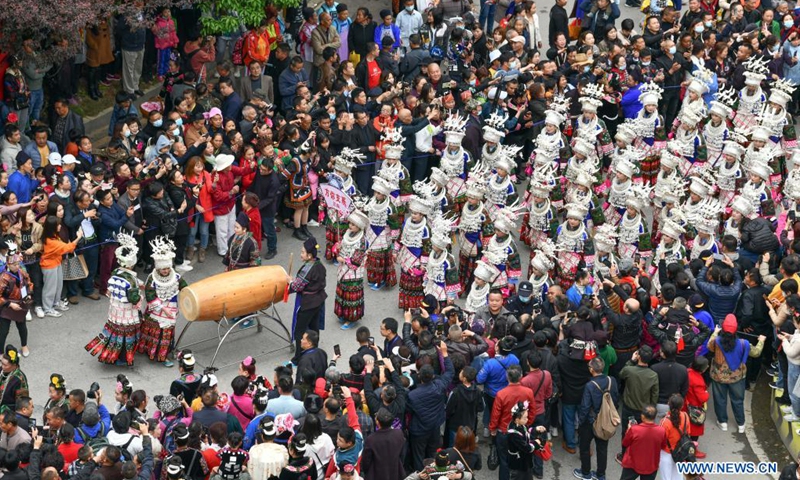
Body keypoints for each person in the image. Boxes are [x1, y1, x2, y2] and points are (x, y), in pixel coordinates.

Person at [85, 232, 142, 366]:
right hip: (127, 312)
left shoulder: (115, 273)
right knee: (125, 337)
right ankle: (122, 359)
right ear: (131, 264)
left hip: (114, 310)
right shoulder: (131, 280)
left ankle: (110, 356)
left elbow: (110, 291)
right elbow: (134, 298)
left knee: (114, 334)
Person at [707, 314, 766, 433]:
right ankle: (741, 424)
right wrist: (761, 341)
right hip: (737, 377)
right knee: (738, 400)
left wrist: (715, 332)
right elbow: (756, 353)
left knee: (720, 399)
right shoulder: (744, 343)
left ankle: (723, 422)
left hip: (718, 376)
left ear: (723, 329)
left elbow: (709, 347)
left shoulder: (716, 341)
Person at [138, 236, 189, 367]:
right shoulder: (152, 278)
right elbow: (150, 295)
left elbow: (185, 288)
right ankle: (156, 353)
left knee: (167, 334)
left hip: (171, 309)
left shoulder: (176, 277)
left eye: (167, 268)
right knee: (155, 332)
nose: (166, 271)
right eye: (163, 269)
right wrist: (162, 308)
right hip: (156, 311)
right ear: (158, 268)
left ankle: (165, 353)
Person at [574, 357, 618, 480]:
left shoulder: (590, 385)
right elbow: (615, 399)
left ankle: (586, 473)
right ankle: (600, 475)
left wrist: (581, 423)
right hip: (605, 421)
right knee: (602, 448)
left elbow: (585, 407)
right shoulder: (611, 380)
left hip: (590, 421)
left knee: (584, 447)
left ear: (592, 369)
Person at [288, 237, 328, 357]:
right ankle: (314, 350)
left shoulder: (307, 269)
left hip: (308, 303)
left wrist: (290, 282)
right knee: (314, 327)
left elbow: (297, 286)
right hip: (318, 300)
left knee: (300, 330)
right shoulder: (319, 264)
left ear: (310, 255)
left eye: (302, 252)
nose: (301, 254)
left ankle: (298, 357)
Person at [39, 215, 82, 317]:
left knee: (58, 286)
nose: (60, 226)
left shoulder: (53, 236)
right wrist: (78, 237)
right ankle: (47, 308)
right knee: (50, 288)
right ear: (53, 227)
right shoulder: (51, 241)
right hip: (49, 266)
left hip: (56, 263)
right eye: (58, 225)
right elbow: (68, 248)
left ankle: (56, 303)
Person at [0, 245, 33, 357]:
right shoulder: (3, 277)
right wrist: (9, 304)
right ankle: (0, 353)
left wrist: (28, 294)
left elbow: (28, 282)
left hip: (20, 303)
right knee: (3, 331)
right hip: (6, 305)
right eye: (14, 264)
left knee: (22, 326)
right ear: (8, 264)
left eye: (18, 264)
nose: (17, 266)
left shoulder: (21, 272)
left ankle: (24, 346)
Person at [620, 405, 666, 480]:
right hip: (651, 465)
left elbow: (625, 443)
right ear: (654, 417)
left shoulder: (634, 430)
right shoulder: (662, 431)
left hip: (633, 464)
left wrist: (628, 431)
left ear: (642, 416)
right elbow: (663, 446)